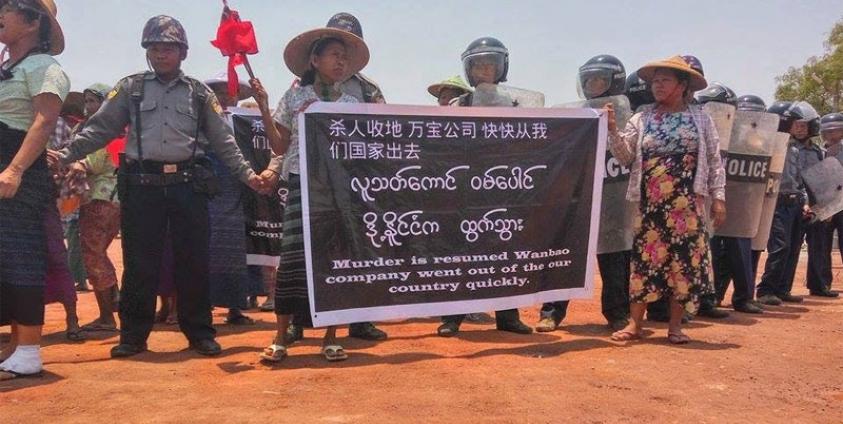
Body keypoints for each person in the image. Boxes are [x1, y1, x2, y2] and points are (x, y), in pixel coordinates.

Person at [52, 15, 268, 358]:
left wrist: (248, 176)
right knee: (139, 263)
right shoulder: (130, 88)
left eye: (168, 48)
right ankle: (133, 337)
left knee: (193, 261)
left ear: (182, 52)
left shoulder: (199, 93)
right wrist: (64, 155)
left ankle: (199, 333)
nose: (160, 54)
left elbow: (224, 142)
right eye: (154, 48)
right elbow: (100, 129)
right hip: (142, 186)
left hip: (189, 186)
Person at [254, 23, 368, 363]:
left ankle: (332, 338)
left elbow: (360, 152)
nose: (341, 63)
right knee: (291, 260)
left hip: (337, 192)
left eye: (344, 58)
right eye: (335, 55)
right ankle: (280, 338)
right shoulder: (294, 97)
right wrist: (263, 106)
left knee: (333, 259)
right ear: (315, 60)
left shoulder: (351, 103)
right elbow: (278, 144)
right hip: (301, 184)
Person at [606, 55, 725, 344]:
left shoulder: (700, 118)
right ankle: (635, 324)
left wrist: (718, 198)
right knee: (645, 262)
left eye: (664, 81)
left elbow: (713, 159)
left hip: (687, 205)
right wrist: (611, 129)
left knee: (682, 264)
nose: (657, 86)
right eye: (655, 81)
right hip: (651, 206)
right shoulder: (642, 117)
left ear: (682, 85)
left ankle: (675, 327)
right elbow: (625, 156)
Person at [437, 37, 534, 337]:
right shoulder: (458, 105)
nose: (484, 69)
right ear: (469, 68)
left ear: (502, 66)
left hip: (503, 188)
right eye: (478, 64)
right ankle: (452, 317)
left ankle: (508, 316)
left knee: (504, 253)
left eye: (490, 63)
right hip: (465, 190)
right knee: (461, 252)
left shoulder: (516, 105)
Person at [537, 54, 632, 333]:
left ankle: (618, 313)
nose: (592, 85)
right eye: (588, 80)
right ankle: (551, 313)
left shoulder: (629, 116)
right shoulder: (576, 114)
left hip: (614, 201)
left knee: (615, 260)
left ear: (615, 82)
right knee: (565, 255)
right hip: (577, 201)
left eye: (599, 80)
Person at [0, 0, 68, 380]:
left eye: (7, 7)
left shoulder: (44, 67)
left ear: (31, 23)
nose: (0, 14)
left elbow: (44, 121)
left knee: (21, 254)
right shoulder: (9, 68)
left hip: (18, 171)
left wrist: (14, 169)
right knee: (3, 256)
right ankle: (13, 345)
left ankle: (28, 349)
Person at [202, 72, 280, 326]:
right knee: (206, 245)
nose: (225, 96)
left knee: (241, 247)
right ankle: (202, 306)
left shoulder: (245, 120)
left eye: (229, 91)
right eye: (220, 91)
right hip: (209, 187)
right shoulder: (200, 119)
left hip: (242, 188)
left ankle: (236, 307)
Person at [694, 83, 761, 315]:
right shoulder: (699, 128)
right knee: (707, 250)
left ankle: (743, 297)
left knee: (739, 249)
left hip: (737, 202)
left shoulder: (747, 138)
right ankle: (707, 300)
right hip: (707, 197)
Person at [65, 83, 123, 332]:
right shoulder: (119, 127)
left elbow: (96, 163)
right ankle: (111, 306)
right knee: (97, 253)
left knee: (93, 254)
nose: (89, 106)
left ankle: (107, 317)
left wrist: (73, 161)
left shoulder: (105, 131)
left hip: (102, 198)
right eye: (87, 101)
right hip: (112, 197)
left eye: (93, 100)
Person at [756, 101, 823, 305]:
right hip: (776, 201)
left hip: (794, 202)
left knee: (793, 246)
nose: (798, 127)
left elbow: (798, 180)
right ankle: (766, 290)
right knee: (779, 246)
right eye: (794, 122)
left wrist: (804, 201)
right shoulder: (769, 144)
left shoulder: (793, 148)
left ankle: (782, 288)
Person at [806, 112, 843, 297]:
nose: (831, 135)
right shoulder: (818, 152)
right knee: (820, 246)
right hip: (823, 205)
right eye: (827, 132)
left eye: (835, 131)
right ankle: (820, 284)